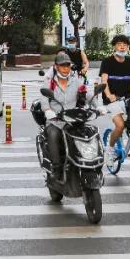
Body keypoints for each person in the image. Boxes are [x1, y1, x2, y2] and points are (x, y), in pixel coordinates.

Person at [100, 34, 130, 163]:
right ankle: (110, 150)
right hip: (112, 100)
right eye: (119, 44)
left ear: (127, 47)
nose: (122, 47)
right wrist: (109, 95)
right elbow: (104, 81)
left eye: (125, 45)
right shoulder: (107, 62)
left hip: (128, 98)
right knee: (120, 125)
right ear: (114, 47)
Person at [40, 52, 86, 181]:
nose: (66, 68)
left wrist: (97, 105)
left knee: (88, 133)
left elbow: (86, 93)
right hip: (56, 120)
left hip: (73, 119)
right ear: (56, 67)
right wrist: (48, 110)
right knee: (54, 134)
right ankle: (57, 168)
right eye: (63, 65)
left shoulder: (76, 80)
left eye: (68, 65)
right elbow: (43, 98)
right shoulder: (50, 82)